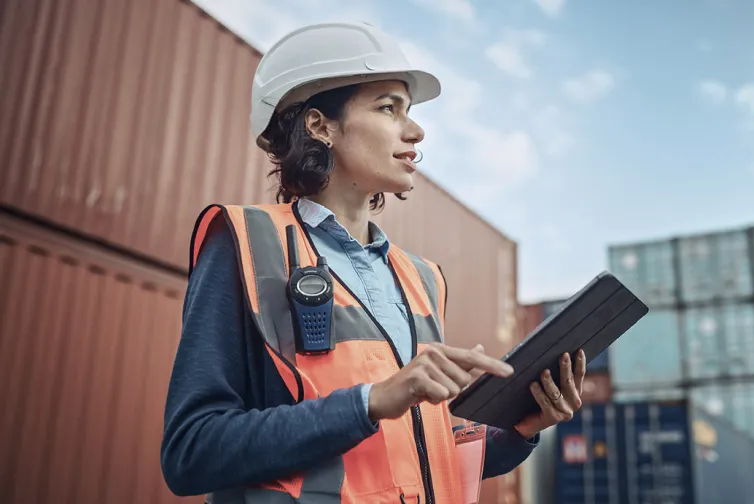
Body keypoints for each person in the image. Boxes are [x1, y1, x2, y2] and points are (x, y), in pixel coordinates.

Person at [160, 21, 587, 503]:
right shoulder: (245, 243)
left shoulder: (422, 279)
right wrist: (371, 400)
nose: (417, 129)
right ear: (322, 125)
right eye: (389, 108)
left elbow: (417, 459)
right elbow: (190, 452)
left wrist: (519, 432)